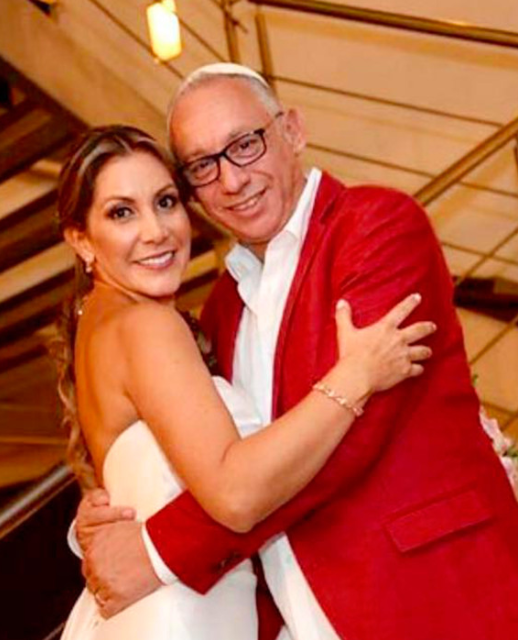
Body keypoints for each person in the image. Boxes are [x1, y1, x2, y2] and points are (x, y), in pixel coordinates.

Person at [76, 65, 518, 640]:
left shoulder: (378, 228)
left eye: (245, 144)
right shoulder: (218, 311)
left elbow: (347, 441)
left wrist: (159, 548)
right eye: (203, 166)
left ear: (292, 131)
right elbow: (214, 460)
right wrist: (110, 513)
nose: (232, 180)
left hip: (441, 603)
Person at [55, 124, 436, 640]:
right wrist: (357, 375)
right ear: (80, 239)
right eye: (122, 212)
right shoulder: (146, 324)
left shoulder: (98, 325)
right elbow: (236, 494)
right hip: (182, 617)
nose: (156, 231)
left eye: (165, 202)